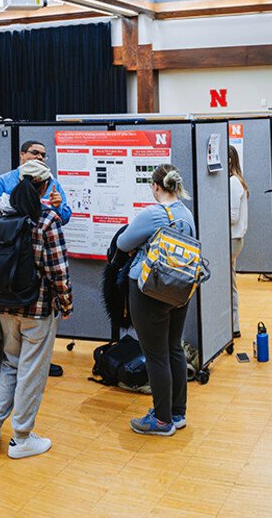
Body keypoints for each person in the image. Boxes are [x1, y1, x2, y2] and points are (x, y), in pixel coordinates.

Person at [0, 160, 72, 460]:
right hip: (38, 309)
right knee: (32, 372)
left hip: (3, 306)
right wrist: (66, 304)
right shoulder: (47, 220)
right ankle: (21, 438)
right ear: (45, 186)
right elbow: (58, 270)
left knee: (10, 365)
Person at [116, 164, 196, 436]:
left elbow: (124, 243)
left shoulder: (153, 213)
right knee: (174, 348)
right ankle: (177, 413)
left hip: (149, 291)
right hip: (179, 290)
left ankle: (161, 421)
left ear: (156, 187)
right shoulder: (186, 214)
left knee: (155, 355)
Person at [0, 141, 72, 225]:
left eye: (43, 155)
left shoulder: (51, 182)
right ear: (22, 155)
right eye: (35, 153)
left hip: (41, 235)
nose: (39, 157)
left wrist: (57, 207)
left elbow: (64, 220)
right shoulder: (4, 181)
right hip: (12, 235)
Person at [228, 145, 249, 338]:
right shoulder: (235, 181)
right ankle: (233, 325)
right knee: (230, 282)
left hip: (232, 239)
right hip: (233, 239)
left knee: (228, 284)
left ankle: (233, 325)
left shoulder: (234, 183)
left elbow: (232, 216)